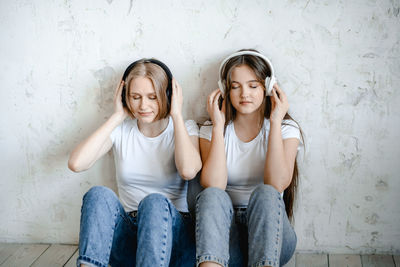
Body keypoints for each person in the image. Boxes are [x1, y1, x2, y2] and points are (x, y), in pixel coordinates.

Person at [68, 58, 202, 267]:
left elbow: (188, 170)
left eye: (152, 97)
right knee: (98, 195)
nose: (143, 105)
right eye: (135, 97)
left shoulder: (186, 128)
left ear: (168, 95)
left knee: (154, 202)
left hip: (172, 240)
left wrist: (176, 114)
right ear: (125, 98)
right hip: (131, 237)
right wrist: (117, 116)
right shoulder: (122, 131)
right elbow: (77, 163)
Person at [196, 50, 304, 267]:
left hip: (272, 239)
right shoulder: (211, 129)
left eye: (253, 86)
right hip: (227, 239)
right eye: (235, 86)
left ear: (268, 86)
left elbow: (277, 184)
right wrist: (218, 126)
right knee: (211, 196)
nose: (244, 93)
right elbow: (214, 185)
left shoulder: (286, 129)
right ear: (225, 89)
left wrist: (275, 122)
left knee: (266, 192)